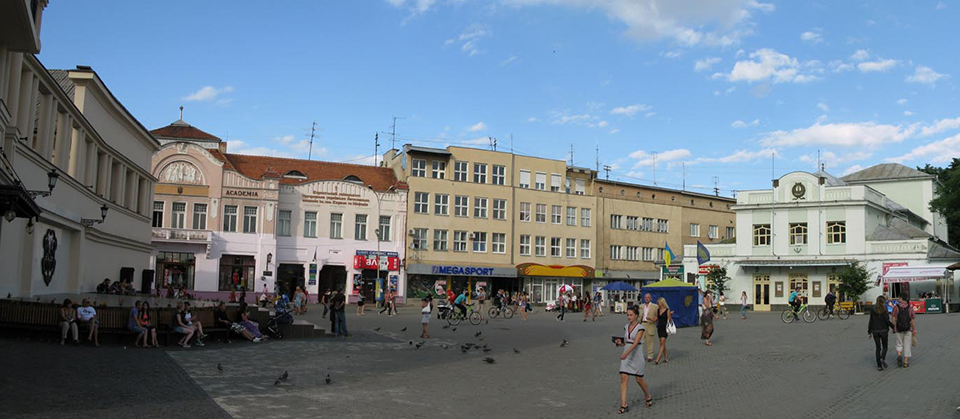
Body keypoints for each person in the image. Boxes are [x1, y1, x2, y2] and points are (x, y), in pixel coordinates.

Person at [615, 306, 652, 414]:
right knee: (623, 377)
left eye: (631, 315)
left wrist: (626, 354)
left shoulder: (640, 328)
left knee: (639, 379)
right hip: (626, 354)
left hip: (636, 355)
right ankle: (623, 404)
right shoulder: (626, 327)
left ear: (636, 316)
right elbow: (627, 341)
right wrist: (620, 343)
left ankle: (648, 396)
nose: (629, 317)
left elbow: (635, 343)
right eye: (627, 315)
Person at [868, 295, 894, 371]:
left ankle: (879, 366)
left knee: (878, 348)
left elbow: (871, 321)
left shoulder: (873, 309)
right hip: (884, 331)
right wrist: (894, 327)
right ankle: (882, 358)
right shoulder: (885, 310)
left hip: (875, 331)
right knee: (885, 346)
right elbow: (887, 321)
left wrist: (869, 331)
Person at [892, 296, 916, 368]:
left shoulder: (896, 307)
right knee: (907, 344)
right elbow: (912, 319)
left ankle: (899, 355)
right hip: (908, 328)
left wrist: (894, 326)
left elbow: (893, 317)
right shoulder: (910, 308)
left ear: (901, 299)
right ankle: (905, 362)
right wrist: (913, 329)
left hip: (899, 328)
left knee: (899, 343)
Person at [654, 297, 673, 365]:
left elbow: (669, 320)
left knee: (662, 344)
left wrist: (670, 315)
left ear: (662, 303)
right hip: (659, 327)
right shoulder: (658, 310)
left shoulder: (667, 310)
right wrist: (650, 319)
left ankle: (657, 359)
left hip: (665, 328)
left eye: (658, 303)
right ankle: (665, 357)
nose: (657, 304)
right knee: (662, 343)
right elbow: (656, 318)